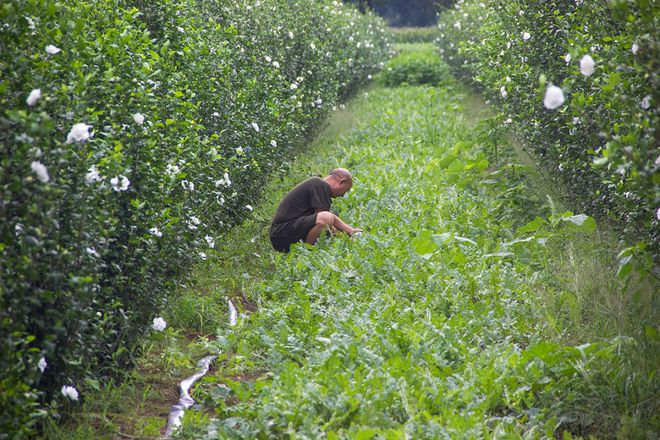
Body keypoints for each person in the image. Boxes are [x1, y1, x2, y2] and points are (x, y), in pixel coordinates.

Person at [269, 168, 362, 252]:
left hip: (283, 234)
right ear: (341, 182)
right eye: (346, 190)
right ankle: (306, 255)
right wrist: (350, 231)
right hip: (282, 232)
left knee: (330, 227)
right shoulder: (320, 184)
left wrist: (343, 237)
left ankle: (305, 253)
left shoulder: (318, 184)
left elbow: (328, 225)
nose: (342, 195)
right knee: (326, 218)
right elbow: (325, 217)